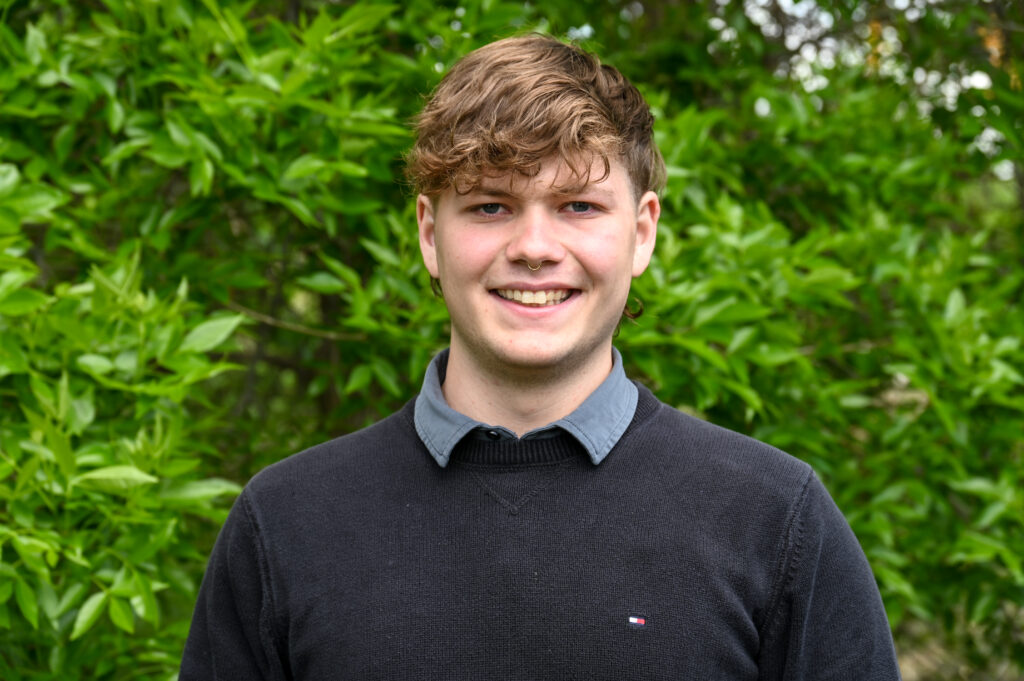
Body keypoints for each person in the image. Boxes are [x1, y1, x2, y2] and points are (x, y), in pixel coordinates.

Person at [180, 34, 901, 680]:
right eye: (491, 205)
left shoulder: (775, 521)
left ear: (642, 233)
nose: (533, 247)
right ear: (430, 233)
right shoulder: (284, 524)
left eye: (578, 206)